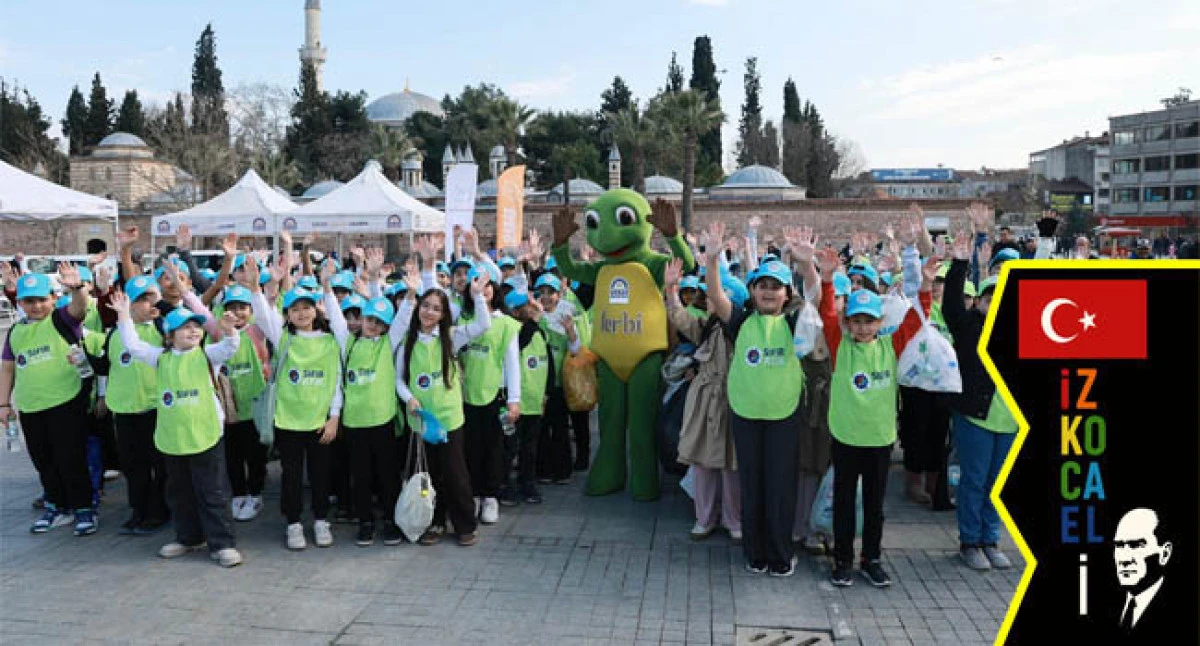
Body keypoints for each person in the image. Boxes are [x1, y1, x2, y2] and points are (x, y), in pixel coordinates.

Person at [816, 246, 934, 588]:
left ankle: (872, 558)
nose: (864, 328)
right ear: (848, 322)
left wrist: (925, 286)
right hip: (846, 437)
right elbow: (826, 314)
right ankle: (842, 560)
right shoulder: (840, 345)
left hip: (880, 439)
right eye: (857, 321)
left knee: (873, 504)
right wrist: (826, 279)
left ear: (880, 323)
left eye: (870, 321)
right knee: (843, 503)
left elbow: (916, 321)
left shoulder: (891, 346)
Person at [107, 287, 244, 568]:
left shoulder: (208, 355)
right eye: (184, 328)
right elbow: (133, 346)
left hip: (206, 436)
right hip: (173, 438)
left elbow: (230, 347)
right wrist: (123, 316)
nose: (192, 332)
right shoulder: (160, 358)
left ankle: (222, 543)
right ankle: (188, 537)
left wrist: (230, 330)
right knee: (180, 492)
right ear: (169, 336)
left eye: (196, 327)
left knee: (212, 492)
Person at [705, 220, 806, 577]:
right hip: (746, 414)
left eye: (776, 287)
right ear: (752, 290)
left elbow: (820, 302)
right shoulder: (741, 320)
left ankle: (781, 554)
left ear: (787, 295)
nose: (768, 292)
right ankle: (755, 552)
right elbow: (716, 298)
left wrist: (808, 266)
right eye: (762, 285)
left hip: (784, 415)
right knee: (752, 483)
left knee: (780, 486)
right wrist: (712, 259)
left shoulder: (796, 324)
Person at [252, 260, 349, 551]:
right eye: (295, 309)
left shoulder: (332, 340)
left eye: (307, 307)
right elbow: (262, 315)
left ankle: (321, 520)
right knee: (291, 476)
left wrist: (334, 417)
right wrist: (259, 287)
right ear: (288, 315)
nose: (302, 313)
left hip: (320, 421)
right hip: (288, 420)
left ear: (315, 309)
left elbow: (336, 383)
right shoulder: (284, 338)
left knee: (321, 476)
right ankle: (293, 524)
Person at [395, 272, 492, 546]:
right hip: (420, 422)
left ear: (443, 314)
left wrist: (477, 297)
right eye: (426, 306)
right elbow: (399, 379)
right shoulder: (407, 341)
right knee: (427, 475)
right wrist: (408, 398)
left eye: (437, 308)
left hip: (449, 420)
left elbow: (483, 325)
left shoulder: (451, 336)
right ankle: (434, 522)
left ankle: (464, 523)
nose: (429, 312)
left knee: (455, 474)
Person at [1, 267, 97, 536]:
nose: (37, 306)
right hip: (31, 406)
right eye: (29, 301)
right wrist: (4, 405)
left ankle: (83, 509)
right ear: (20, 303)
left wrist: (77, 288)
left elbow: (80, 308)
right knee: (44, 460)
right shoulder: (15, 332)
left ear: (54, 298)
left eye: (42, 299)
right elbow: (7, 368)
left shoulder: (62, 319)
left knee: (71, 459)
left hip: (66, 402)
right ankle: (57, 507)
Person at [941, 234, 1016, 571]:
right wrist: (959, 264)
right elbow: (951, 307)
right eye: (990, 296)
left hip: (1010, 421)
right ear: (980, 302)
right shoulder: (969, 327)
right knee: (974, 481)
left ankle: (991, 539)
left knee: (997, 485)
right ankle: (970, 542)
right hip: (975, 417)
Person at [664, 257, 741, 544]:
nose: (709, 302)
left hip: (732, 401)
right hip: (704, 401)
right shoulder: (706, 327)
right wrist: (671, 291)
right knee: (702, 462)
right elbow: (680, 318)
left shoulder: (740, 328)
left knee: (732, 465)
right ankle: (705, 517)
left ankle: (734, 519)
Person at [93, 275, 170, 534]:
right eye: (141, 300)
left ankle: (159, 511)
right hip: (125, 411)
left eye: (152, 298)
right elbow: (105, 366)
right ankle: (139, 510)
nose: (148, 305)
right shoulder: (115, 333)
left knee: (159, 465)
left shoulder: (162, 329)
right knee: (133, 466)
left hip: (156, 409)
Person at [217, 280, 272, 522]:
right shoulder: (217, 335)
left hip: (256, 406)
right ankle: (238, 493)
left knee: (255, 454)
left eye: (243, 307)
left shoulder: (259, 331)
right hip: (229, 408)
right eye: (232, 307)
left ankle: (255, 492)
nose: (238, 312)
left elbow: (270, 305)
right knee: (232, 455)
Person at [500, 288, 552, 506]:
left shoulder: (538, 331)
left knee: (530, 449)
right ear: (515, 311)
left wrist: (547, 392)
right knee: (509, 448)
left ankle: (527, 484)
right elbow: (521, 340)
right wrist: (535, 319)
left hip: (535, 401)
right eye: (527, 306)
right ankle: (505, 486)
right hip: (515, 403)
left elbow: (547, 362)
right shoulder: (513, 332)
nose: (532, 309)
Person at [532, 273, 586, 483]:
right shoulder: (534, 316)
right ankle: (543, 469)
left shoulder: (566, 317)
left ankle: (562, 470)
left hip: (558, 384)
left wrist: (571, 332)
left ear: (559, 294)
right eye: (542, 292)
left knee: (560, 427)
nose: (546, 297)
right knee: (542, 429)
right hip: (537, 384)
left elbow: (576, 349)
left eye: (550, 292)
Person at [1113, 508, 1175, 635]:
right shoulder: (1100, 606)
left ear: (1164, 554)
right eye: (1119, 545)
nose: (1124, 559)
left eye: (1137, 545)